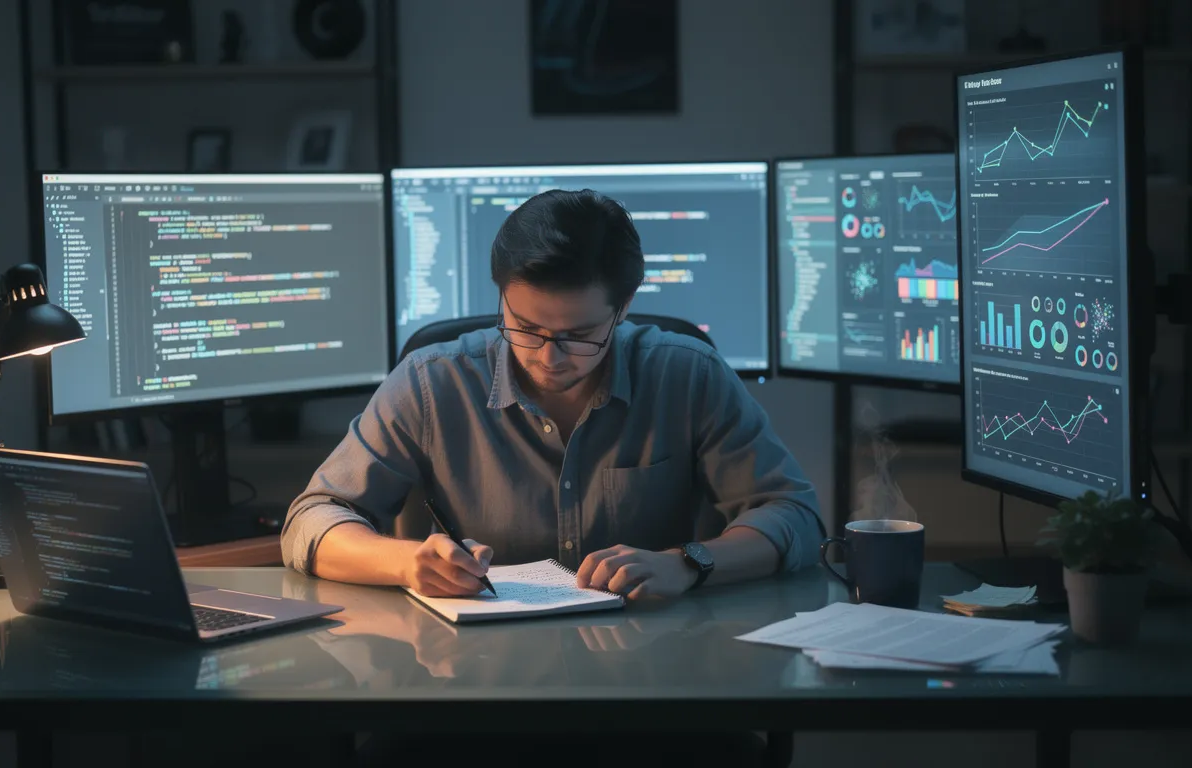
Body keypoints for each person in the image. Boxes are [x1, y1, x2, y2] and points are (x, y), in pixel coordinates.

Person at [281, 188, 818, 767]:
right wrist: (409, 561)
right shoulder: (433, 383)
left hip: (650, 695)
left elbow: (794, 514)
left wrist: (689, 563)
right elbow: (312, 519)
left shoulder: (687, 375)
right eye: (525, 327)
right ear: (502, 298)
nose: (548, 357)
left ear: (623, 308)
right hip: (466, 699)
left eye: (579, 335)